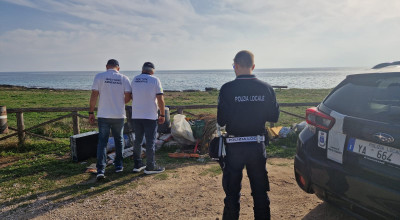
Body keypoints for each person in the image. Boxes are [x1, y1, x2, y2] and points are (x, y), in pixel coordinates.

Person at [217, 50, 280, 219]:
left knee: (231, 195)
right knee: (260, 194)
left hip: (234, 147)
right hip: (257, 146)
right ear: (253, 66)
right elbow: (274, 117)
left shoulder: (227, 89)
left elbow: (221, 120)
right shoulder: (267, 88)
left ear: (235, 66)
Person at [89, 59, 132, 180]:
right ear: (118, 68)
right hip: (118, 115)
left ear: (107, 67)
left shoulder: (100, 76)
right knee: (119, 140)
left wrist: (91, 112)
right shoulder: (124, 78)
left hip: (103, 114)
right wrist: (119, 103)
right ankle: (118, 166)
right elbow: (128, 96)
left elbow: (94, 95)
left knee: (102, 142)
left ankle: (101, 170)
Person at [130, 62, 166, 174]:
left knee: (138, 141)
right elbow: (160, 99)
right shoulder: (155, 80)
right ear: (152, 70)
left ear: (142, 69)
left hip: (136, 115)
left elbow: (131, 96)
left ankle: (137, 164)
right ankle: (150, 167)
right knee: (150, 142)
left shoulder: (135, 79)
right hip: (150, 116)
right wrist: (162, 114)